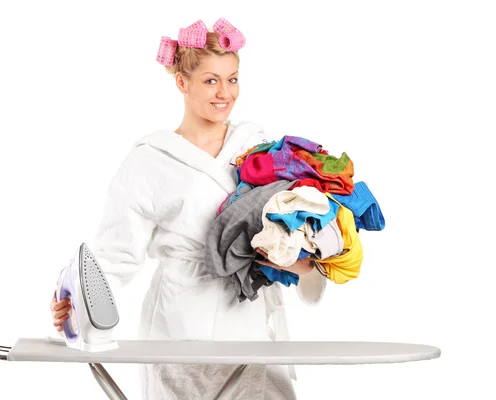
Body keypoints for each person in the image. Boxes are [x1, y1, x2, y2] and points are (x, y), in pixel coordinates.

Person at [50, 18, 327, 399]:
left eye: (232, 79)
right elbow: (115, 255)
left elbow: (288, 224)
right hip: (179, 321)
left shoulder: (259, 148)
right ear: (182, 82)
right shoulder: (150, 160)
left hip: (248, 316)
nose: (224, 93)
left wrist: (305, 256)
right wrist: (77, 303)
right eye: (211, 80)